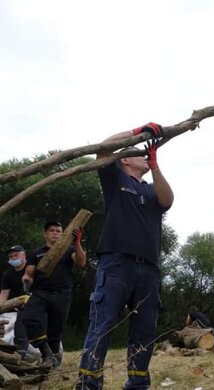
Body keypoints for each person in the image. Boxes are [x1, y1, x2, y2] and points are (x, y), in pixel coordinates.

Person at [77, 122, 173, 390]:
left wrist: (155, 166)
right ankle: (89, 384)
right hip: (116, 263)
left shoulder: (152, 190)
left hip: (149, 270)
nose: (144, 155)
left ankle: (137, 384)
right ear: (125, 160)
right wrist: (136, 131)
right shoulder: (115, 179)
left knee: (144, 330)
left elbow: (167, 200)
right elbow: (103, 149)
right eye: (139, 154)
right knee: (102, 325)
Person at [21, 222, 86, 369]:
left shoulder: (69, 250)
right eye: (52, 230)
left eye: (58, 231)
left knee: (56, 331)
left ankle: (54, 366)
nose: (55, 233)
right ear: (45, 234)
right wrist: (26, 282)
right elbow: (28, 274)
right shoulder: (35, 253)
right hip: (40, 292)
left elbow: (81, 262)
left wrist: (77, 243)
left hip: (62, 293)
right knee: (28, 317)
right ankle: (46, 353)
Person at [1, 245, 29, 357]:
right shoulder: (8, 274)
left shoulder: (32, 269)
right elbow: (3, 294)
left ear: (24, 255)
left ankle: (20, 352)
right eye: (11, 256)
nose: (13, 258)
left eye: (16, 255)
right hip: (13, 307)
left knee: (22, 322)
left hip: (32, 305)